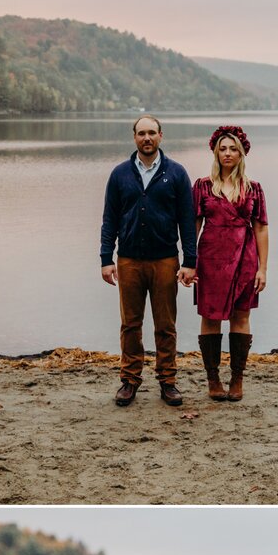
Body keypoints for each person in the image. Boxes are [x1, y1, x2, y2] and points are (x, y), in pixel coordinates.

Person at [100, 116, 197, 408]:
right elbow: (109, 219)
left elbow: (187, 222)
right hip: (128, 261)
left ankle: (167, 381)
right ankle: (129, 380)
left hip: (166, 260)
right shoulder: (119, 174)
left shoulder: (176, 174)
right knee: (130, 324)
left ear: (160, 136)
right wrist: (106, 258)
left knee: (165, 325)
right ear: (134, 137)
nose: (147, 138)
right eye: (141, 133)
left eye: (152, 133)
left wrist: (190, 261)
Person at [193, 125, 269, 402]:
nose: (227, 153)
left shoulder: (253, 189)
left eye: (233, 149)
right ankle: (213, 379)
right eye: (222, 149)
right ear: (215, 152)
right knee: (210, 317)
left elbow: (261, 228)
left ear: (241, 153)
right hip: (210, 260)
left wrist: (263, 268)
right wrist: (189, 263)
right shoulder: (202, 186)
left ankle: (237, 378)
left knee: (241, 315)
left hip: (245, 260)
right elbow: (194, 226)